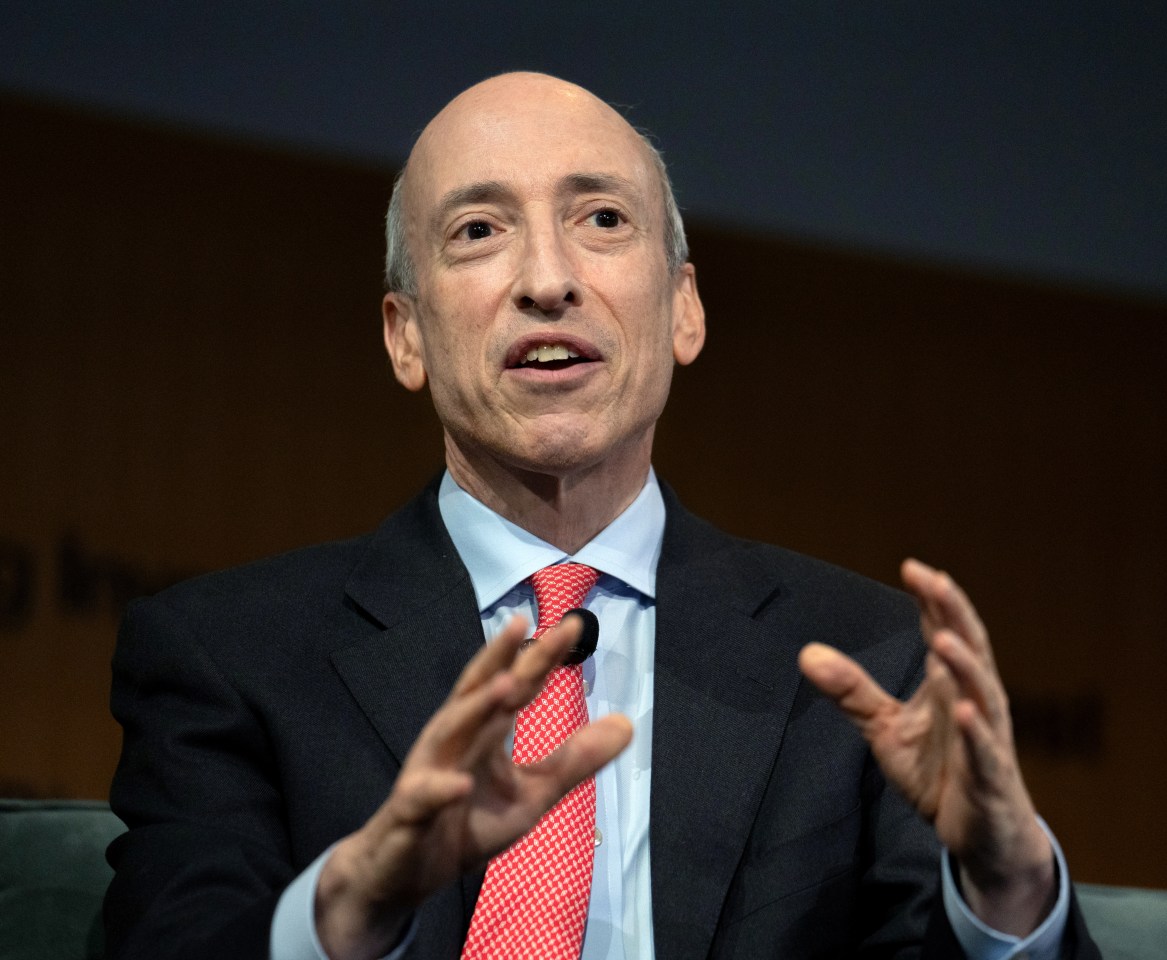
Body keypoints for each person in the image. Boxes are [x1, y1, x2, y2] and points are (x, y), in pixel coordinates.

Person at [104, 72, 1100, 960]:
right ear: (406, 337)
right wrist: (348, 917)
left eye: (603, 221)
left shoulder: (862, 661)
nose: (548, 280)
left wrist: (1006, 892)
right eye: (479, 231)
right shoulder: (226, 657)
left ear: (684, 310)